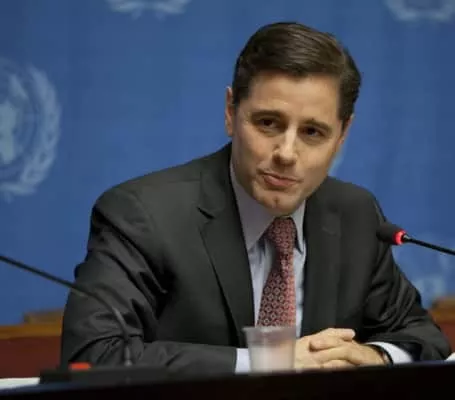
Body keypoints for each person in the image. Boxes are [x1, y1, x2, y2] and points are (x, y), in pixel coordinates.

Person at [60, 21, 451, 375]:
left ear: (343, 135)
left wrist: (375, 357)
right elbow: (95, 354)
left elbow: (422, 338)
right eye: (268, 123)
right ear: (231, 112)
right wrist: (271, 362)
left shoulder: (356, 215)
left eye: (312, 132)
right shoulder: (144, 215)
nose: (286, 153)